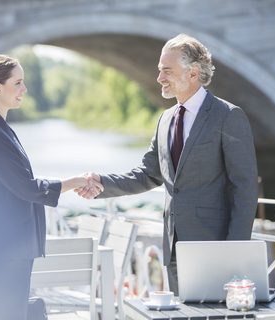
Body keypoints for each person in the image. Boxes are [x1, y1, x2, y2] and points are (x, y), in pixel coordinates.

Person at [76, 34, 258, 295]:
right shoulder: (166, 120)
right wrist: (101, 184)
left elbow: (246, 187)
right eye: (160, 70)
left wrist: (233, 251)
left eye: (166, 71)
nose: (159, 78)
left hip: (213, 246)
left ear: (193, 73)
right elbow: (148, 175)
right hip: (173, 247)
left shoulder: (228, 116)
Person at [0, 54, 103, 320]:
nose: (24, 89)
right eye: (19, 82)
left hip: (8, 249)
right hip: (4, 252)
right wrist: (76, 181)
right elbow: (26, 187)